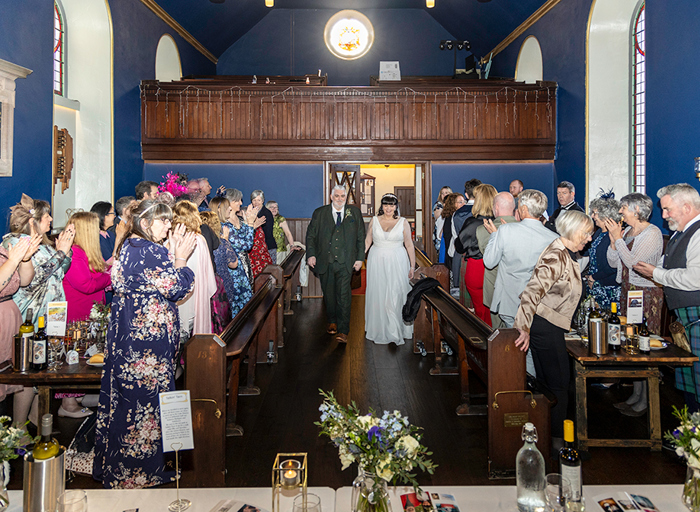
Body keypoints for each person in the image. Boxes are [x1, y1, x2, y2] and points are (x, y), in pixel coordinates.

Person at [93, 199, 196, 489]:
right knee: (146, 405)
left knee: (128, 401)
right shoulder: (150, 251)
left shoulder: (129, 245)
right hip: (145, 344)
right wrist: (181, 260)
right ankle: (142, 471)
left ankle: (120, 465)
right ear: (147, 223)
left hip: (128, 337)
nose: (169, 226)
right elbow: (176, 288)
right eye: (164, 221)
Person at [513, 210, 593, 450]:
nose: (589, 239)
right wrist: (523, 328)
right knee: (559, 383)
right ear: (574, 231)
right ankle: (559, 441)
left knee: (548, 382)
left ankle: (548, 433)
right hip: (544, 326)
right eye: (587, 234)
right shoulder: (557, 255)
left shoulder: (564, 252)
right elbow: (531, 293)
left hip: (547, 324)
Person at [6, 194, 86, 422]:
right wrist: (61, 252)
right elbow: (32, 279)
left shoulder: (43, 244)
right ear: (33, 221)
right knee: (28, 374)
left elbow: (58, 272)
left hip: (52, 314)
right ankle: (19, 428)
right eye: (46, 215)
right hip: (31, 315)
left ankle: (35, 421)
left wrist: (65, 251)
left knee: (43, 372)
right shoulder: (15, 242)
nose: (51, 218)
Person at [634, 184, 700, 412]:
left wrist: (655, 273)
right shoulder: (679, 234)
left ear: (687, 207)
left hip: (696, 316)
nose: (663, 215)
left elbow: (695, 278)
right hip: (686, 319)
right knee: (690, 382)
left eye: (667, 209)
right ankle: (690, 436)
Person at [483, 189, 558, 376]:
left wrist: (494, 235)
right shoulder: (553, 237)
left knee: (522, 350)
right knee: (532, 349)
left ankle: (525, 390)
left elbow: (489, 261)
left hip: (510, 300)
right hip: (539, 304)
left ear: (523, 209)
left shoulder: (506, 230)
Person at [306, 185, 365, 344]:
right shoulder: (320, 213)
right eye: (337, 196)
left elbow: (361, 236)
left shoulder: (354, 213)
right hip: (325, 261)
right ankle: (332, 320)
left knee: (344, 296)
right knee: (329, 294)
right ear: (331, 197)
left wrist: (360, 258)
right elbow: (311, 236)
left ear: (347, 197)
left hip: (347, 262)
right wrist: (311, 254)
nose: (340, 199)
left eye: (343, 196)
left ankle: (343, 330)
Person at [364, 193, 415, 345]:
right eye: (386, 205)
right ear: (382, 206)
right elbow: (368, 241)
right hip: (376, 261)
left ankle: (395, 330)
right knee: (379, 293)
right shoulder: (374, 220)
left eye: (391, 205)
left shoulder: (403, 222)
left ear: (396, 207)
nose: (388, 208)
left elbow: (409, 245)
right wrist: (359, 258)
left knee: (395, 294)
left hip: (397, 261)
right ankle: (380, 327)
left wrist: (412, 266)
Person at [0, 230, 39, 407]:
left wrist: (25, 259)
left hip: (10, 316)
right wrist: (13, 260)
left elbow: (23, 281)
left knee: (12, 372)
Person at [172, 200, 217, 339]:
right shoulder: (199, 240)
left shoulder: (170, 240)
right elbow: (208, 273)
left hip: (176, 294)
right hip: (196, 292)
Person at [455, 184, 497, 325]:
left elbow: (459, 247)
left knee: (479, 310)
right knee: (494, 311)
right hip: (497, 268)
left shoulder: (472, 222)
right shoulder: (499, 222)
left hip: (477, 267)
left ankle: (482, 342)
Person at [476, 191, 516, 328]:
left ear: (496, 207)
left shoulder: (482, 230)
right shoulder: (523, 229)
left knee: (498, 330)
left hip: (494, 285)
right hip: (519, 289)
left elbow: (487, 257)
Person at [62, 211, 111, 323]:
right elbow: (87, 286)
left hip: (93, 310)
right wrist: (110, 277)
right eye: (95, 228)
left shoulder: (88, 250)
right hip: (79, 314)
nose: (98, 231)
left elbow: (102, 269)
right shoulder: (74, 253)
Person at [584, 194, 622, 311]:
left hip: (608, 287)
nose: (592, 216)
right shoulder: (599, 232)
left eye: (595, 213)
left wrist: (593, 277)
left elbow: (614, 266)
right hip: (596, 284)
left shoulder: (614, 234)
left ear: (605, 215)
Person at [222, 190, 256, 316]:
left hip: (245, 263)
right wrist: (251, 224)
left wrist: (248, 223)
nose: (241, 203)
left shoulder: (240, 218)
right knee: (238, 305)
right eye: (237, 200)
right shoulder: (224, 223)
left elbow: (246, 241)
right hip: (234, 268)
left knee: (248, 301)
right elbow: (246, 244)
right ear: (229, 202)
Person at [210, 197, 245, 318]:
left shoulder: (221, 226)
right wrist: (225, 240)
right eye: (227, 206)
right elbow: (232, 260)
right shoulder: (220, 229)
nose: (230, 208)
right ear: (219, 210)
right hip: (223, 277)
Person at [200, 210, 232, 334]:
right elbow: (233, 263)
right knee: (222, 315)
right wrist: (227, 240)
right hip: (219, 282)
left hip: (203, 283)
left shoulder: (198, 242)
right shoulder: (221, 243)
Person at [251, 190, 276, 262]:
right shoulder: (251, 213)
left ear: (262, 201)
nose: (256, 202)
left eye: (259, 200)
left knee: (270, 271)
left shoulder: (266, 213)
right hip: (256, 248)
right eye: (254, 200)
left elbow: (268, 232)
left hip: (268, 247)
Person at [432, 186, 452, 253]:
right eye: (442, 193)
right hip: (440, 232)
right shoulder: (438, 205)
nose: (444, 195)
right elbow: (438, 217)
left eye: (446, 193)